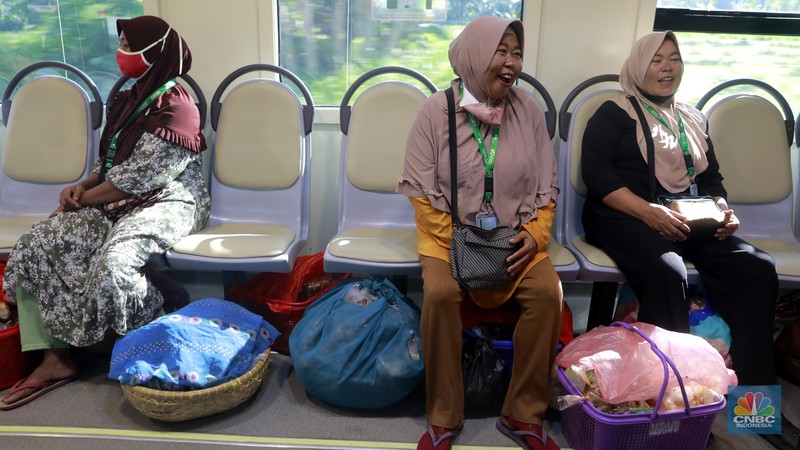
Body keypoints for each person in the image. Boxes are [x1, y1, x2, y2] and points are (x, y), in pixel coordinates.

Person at [0, 15, 210, 410]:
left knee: (115, 263)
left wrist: (87, 197)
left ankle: (163, 310)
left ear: (157, 52)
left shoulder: (177, 107)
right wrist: (83, 183)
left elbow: (141, 179)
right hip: (113, 197)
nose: (123, 53)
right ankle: (54, 358)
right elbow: (110, 164)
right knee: (36, 243)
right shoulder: (126, 98)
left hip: (167, 200)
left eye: (131, 46)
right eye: (124, 44)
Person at [398, 16, 563, 450]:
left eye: (516, 53)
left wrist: (536, 234)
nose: (511, 63)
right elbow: (418, 190)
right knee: (438, 295)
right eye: (500, 52)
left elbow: (548, 188)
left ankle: (524, 414)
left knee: (548, 294)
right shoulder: (435, 111)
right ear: (474, 55)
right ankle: (444, 416)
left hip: (513, 236)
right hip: (446, 236)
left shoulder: (527, 110)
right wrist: (460, 242)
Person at [581, 30, 777, 387]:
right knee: (668, 272)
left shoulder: (692, 118)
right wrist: (647, 212)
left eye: (674, 58)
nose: (667, 67)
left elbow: (712, 179)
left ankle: (753, 399)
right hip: (620, 215)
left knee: (757, 268)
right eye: (656, 60)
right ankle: (671, 391)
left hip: (682, 219)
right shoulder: (613, 113)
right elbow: (597, 177)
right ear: (639, 66)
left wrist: (722, 212)